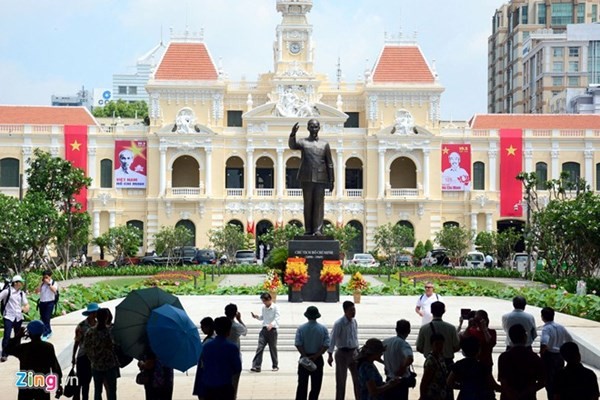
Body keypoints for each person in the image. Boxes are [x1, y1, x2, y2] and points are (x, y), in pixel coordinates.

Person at [288, 119, 334, 236]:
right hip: (306, 177)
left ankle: (318, 230)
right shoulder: (303, 142)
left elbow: (329, 163)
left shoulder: (324, 144)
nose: (314, 129)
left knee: (319, 204)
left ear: (319, 128)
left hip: (320, 178)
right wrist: (293, 134)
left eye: (316, 126)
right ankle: (308, 229)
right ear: (308, 128)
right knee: (308, 204)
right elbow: (292, 146)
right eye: (312, 127)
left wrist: (331, 180)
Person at [6, 320, 63, 400]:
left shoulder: (24, 348)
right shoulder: (48, 347)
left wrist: (18, 336)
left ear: (28, 333)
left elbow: (8, 349)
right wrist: (58, 383)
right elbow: (54, 366)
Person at [497, 324, 545, 400]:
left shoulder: (504, 357)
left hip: (508, 397)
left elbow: (503, 381)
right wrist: (526, 392)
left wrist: (511, 394)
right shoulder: (533, 357)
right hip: (528, 397)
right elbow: (542, 381)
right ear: (525, 337)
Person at [200, 316, 242, 400]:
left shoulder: (206, 346)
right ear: (229, 331)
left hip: (209, 386)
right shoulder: (232, 348)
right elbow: (237, 368)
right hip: (225, 386)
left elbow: (203, 364)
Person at [294, 306, 330, 400]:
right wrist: (316, 355)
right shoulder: (323, 329)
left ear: (307, 316)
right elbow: (326, 344)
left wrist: (305, 356)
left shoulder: (301, 328)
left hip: (304, 358)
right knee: (316, 386)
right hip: (317, 359)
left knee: (302, 385)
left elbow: (298, 344)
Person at [447, 336, 499, 400]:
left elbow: (449, 382)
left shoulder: (459, 364)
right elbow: (493, 384)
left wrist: (463, 387)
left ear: (463, 351)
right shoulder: (483, 366)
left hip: (465, 396)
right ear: (479, 350)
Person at [84, 308, 119, 400]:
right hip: (110, 365)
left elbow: (86, 348)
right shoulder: (110, 331)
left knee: (97, 390)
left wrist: (93, 359)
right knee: (112, 391)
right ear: (107, 317)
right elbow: (117, 345)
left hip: (96, 366)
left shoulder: (90, 332)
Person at [328, 300, 360, 400]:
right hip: (342, 353)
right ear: (345, 311)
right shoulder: (339, 323)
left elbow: (355, 337)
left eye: (354, 310)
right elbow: (332, 338)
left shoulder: (354, 322)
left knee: (358, 380)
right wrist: (330, 355)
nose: (354, 312)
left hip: (354, 353)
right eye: (351, 310)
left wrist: (358, 350)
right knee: (341, 381)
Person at [539, 306, 572, 400]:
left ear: (542, 317)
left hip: (550, 357)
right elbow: (570, 339)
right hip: (560, 356)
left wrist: (541, 356)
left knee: (550, 382)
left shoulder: (546, 329)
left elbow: (544, 343)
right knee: (560, 380)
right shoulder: (561, 327)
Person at [416, 301, 460, 371]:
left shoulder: (424, 328)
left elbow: (419, 347)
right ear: (443, 311)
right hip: (448, 362)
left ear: (431, 311)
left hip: (430, 362)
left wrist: (428, 351)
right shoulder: (451, 328)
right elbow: (457, 347)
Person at [72, 303, 100, 400]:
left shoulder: (98, 325)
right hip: (82, 356)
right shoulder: (81, 326)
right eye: (93, 312)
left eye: (95, 312)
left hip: (92, 357)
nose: (94, 314)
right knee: (79, 380)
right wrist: (73, 357)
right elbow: (76, 342)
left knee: (87, 382)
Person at [382, 319, 414, 400]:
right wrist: (401, 370)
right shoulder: (404, 344)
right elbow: (409, 358)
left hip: (389, 380)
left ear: (396, 330)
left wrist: (385, 363)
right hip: (400, 381)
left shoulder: (386, 342)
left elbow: (376, 354)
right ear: (409, 331)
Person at [0, 274, 30, 362]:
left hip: (18, 317)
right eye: (20, 282)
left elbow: (26, 304)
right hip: (8, 316)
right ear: (15, 283)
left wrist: (26, 308)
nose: (21, 284)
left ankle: (17, 350)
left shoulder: (21, 293)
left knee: (18, 335)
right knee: (7, 335)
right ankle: (4, 354)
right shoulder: (7, 291)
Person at [458, 309, 496, 374]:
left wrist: (484, 329)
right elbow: (464, 337)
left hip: (485, 362)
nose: (477, 322)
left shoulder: (491, 332)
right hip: (472, 362)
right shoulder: (472, 330)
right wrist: (469, 326)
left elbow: (490, 343)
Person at [250, 292, 280, 372]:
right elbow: (263, 317)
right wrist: (257, 317)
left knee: (272, 348)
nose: (264, 303)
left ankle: (275, 365)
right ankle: (257, 366)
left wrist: (271, 324)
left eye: (265, 301)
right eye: (263, 301)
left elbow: (277, 318)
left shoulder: (275, 307)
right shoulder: (263, 307)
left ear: (269, 299)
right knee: (260, 347)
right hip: (264, 330)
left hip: (272, 330)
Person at [225, 303, 247, 399]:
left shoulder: (221, 324)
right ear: (235, 313)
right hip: (235, 358)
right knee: (234, 383)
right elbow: (245, 331)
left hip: (222, 358)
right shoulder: (236, 326)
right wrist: (239, 319)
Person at [420, 333, 449, 400]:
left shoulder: (441, 357)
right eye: (436, 344)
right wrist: (422, 396)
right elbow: (424, 381)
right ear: (431, 345)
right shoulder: (431, 361)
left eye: (441, 344)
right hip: (432, 395)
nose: (439, 346)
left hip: (441, 394)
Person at [35, 269, 58, 339]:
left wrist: (48, 284)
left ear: (50, 277)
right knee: (42, 318)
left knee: (47, 318)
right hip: (42, 302)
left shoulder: (54, 283)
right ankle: (48, 331)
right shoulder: (42, 284)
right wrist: (40, 283)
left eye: (47, 277)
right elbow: (36, 291)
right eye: (44, 277)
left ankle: (46, 332)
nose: (45, 279)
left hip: (50, 302)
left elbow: (55, 291)